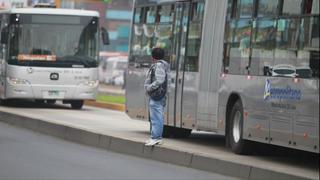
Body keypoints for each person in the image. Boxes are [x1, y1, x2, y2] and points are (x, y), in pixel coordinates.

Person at [144, 47, 170, 146]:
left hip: (157, 95)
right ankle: (155, 137)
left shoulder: (159, 65)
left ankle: (156, 137)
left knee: (156, 118)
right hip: (160, 95)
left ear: (153, 56)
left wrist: (149, 88)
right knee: (156, 117)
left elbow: (160, 80)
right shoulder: (163, 65)